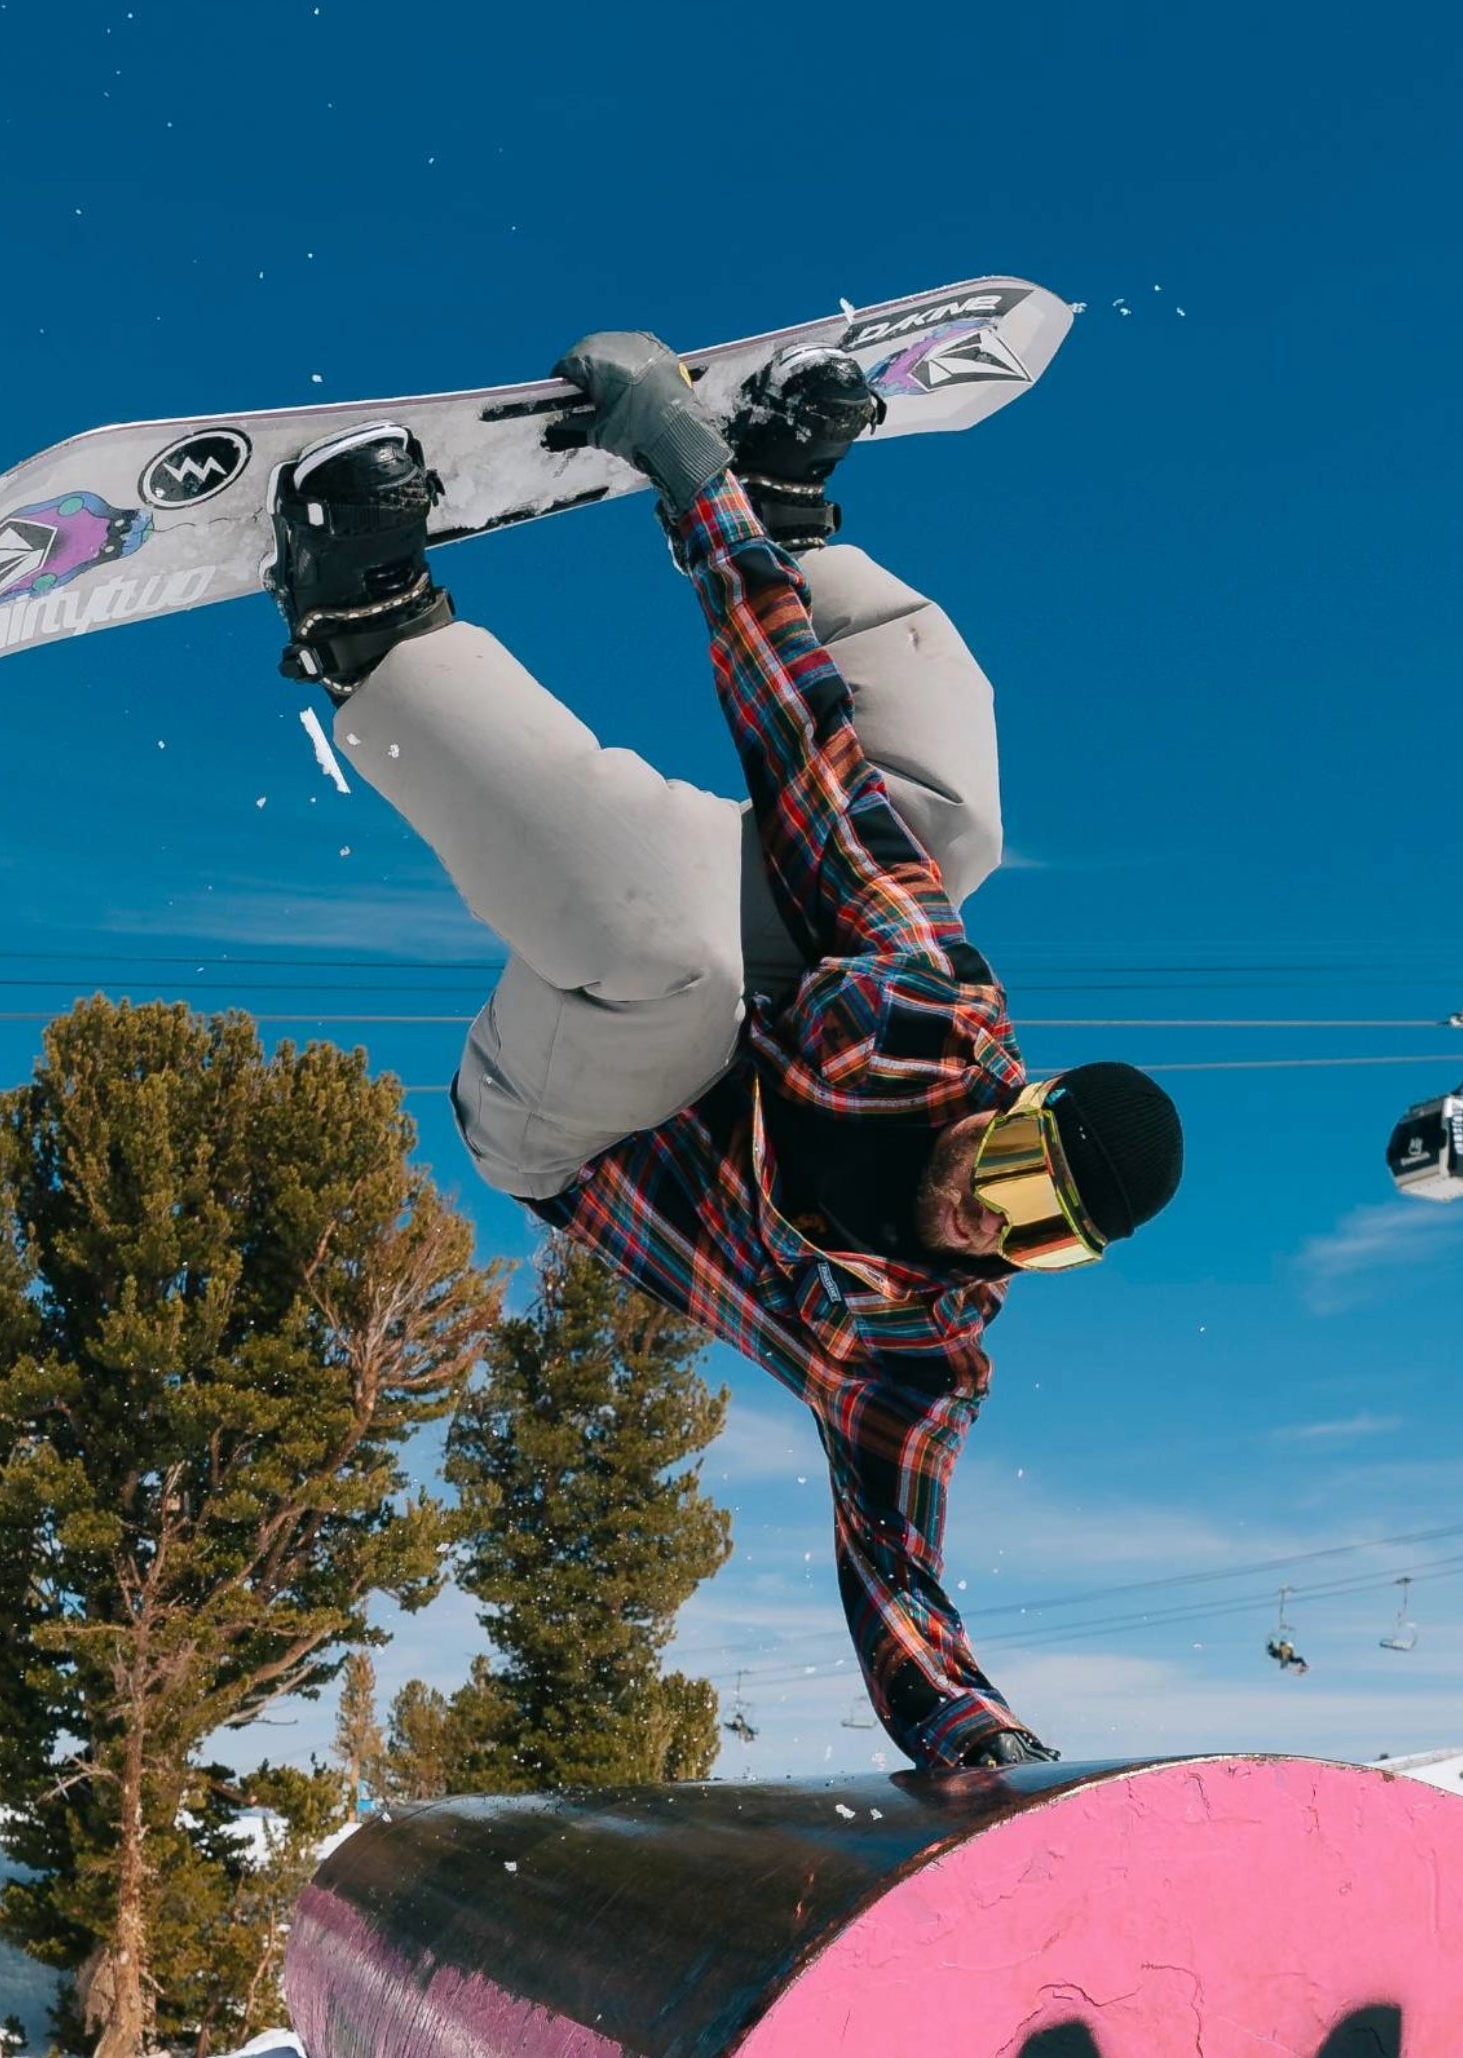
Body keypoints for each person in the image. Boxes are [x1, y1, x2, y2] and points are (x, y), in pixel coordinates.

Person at [261, 331, 1185, 1770]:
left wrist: (977, 1747)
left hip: (573, 1124)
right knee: (942, 835)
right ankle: (796, 518)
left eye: (1040, 1240)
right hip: (747, 998)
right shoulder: (923, 1003)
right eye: (1015, 1175)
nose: (984, 1227)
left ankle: (370, 629)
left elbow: (899, 1573)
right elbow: (804, 749)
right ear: (1018, 1099)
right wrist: (705, 490)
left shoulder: (910, 1357)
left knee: (673, 968)